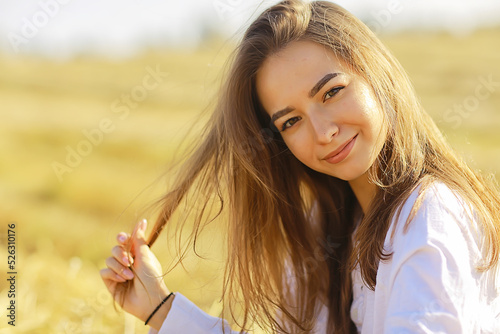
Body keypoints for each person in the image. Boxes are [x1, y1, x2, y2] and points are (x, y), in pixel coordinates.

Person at [100, 1, 500, 333]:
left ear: (376, 74)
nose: (323, 131)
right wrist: (161, 310)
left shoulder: (428, 217)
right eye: (291, 121)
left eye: (332, 92)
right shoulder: (330, 225)